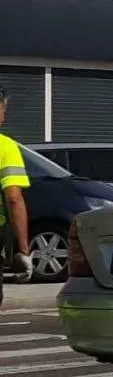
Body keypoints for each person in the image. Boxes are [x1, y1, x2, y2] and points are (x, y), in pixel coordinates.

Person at [0, 86, 32, 291]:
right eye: (3, 112)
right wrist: (23, 250)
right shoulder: (5, 147)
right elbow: (13, 199)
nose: (3, 118)